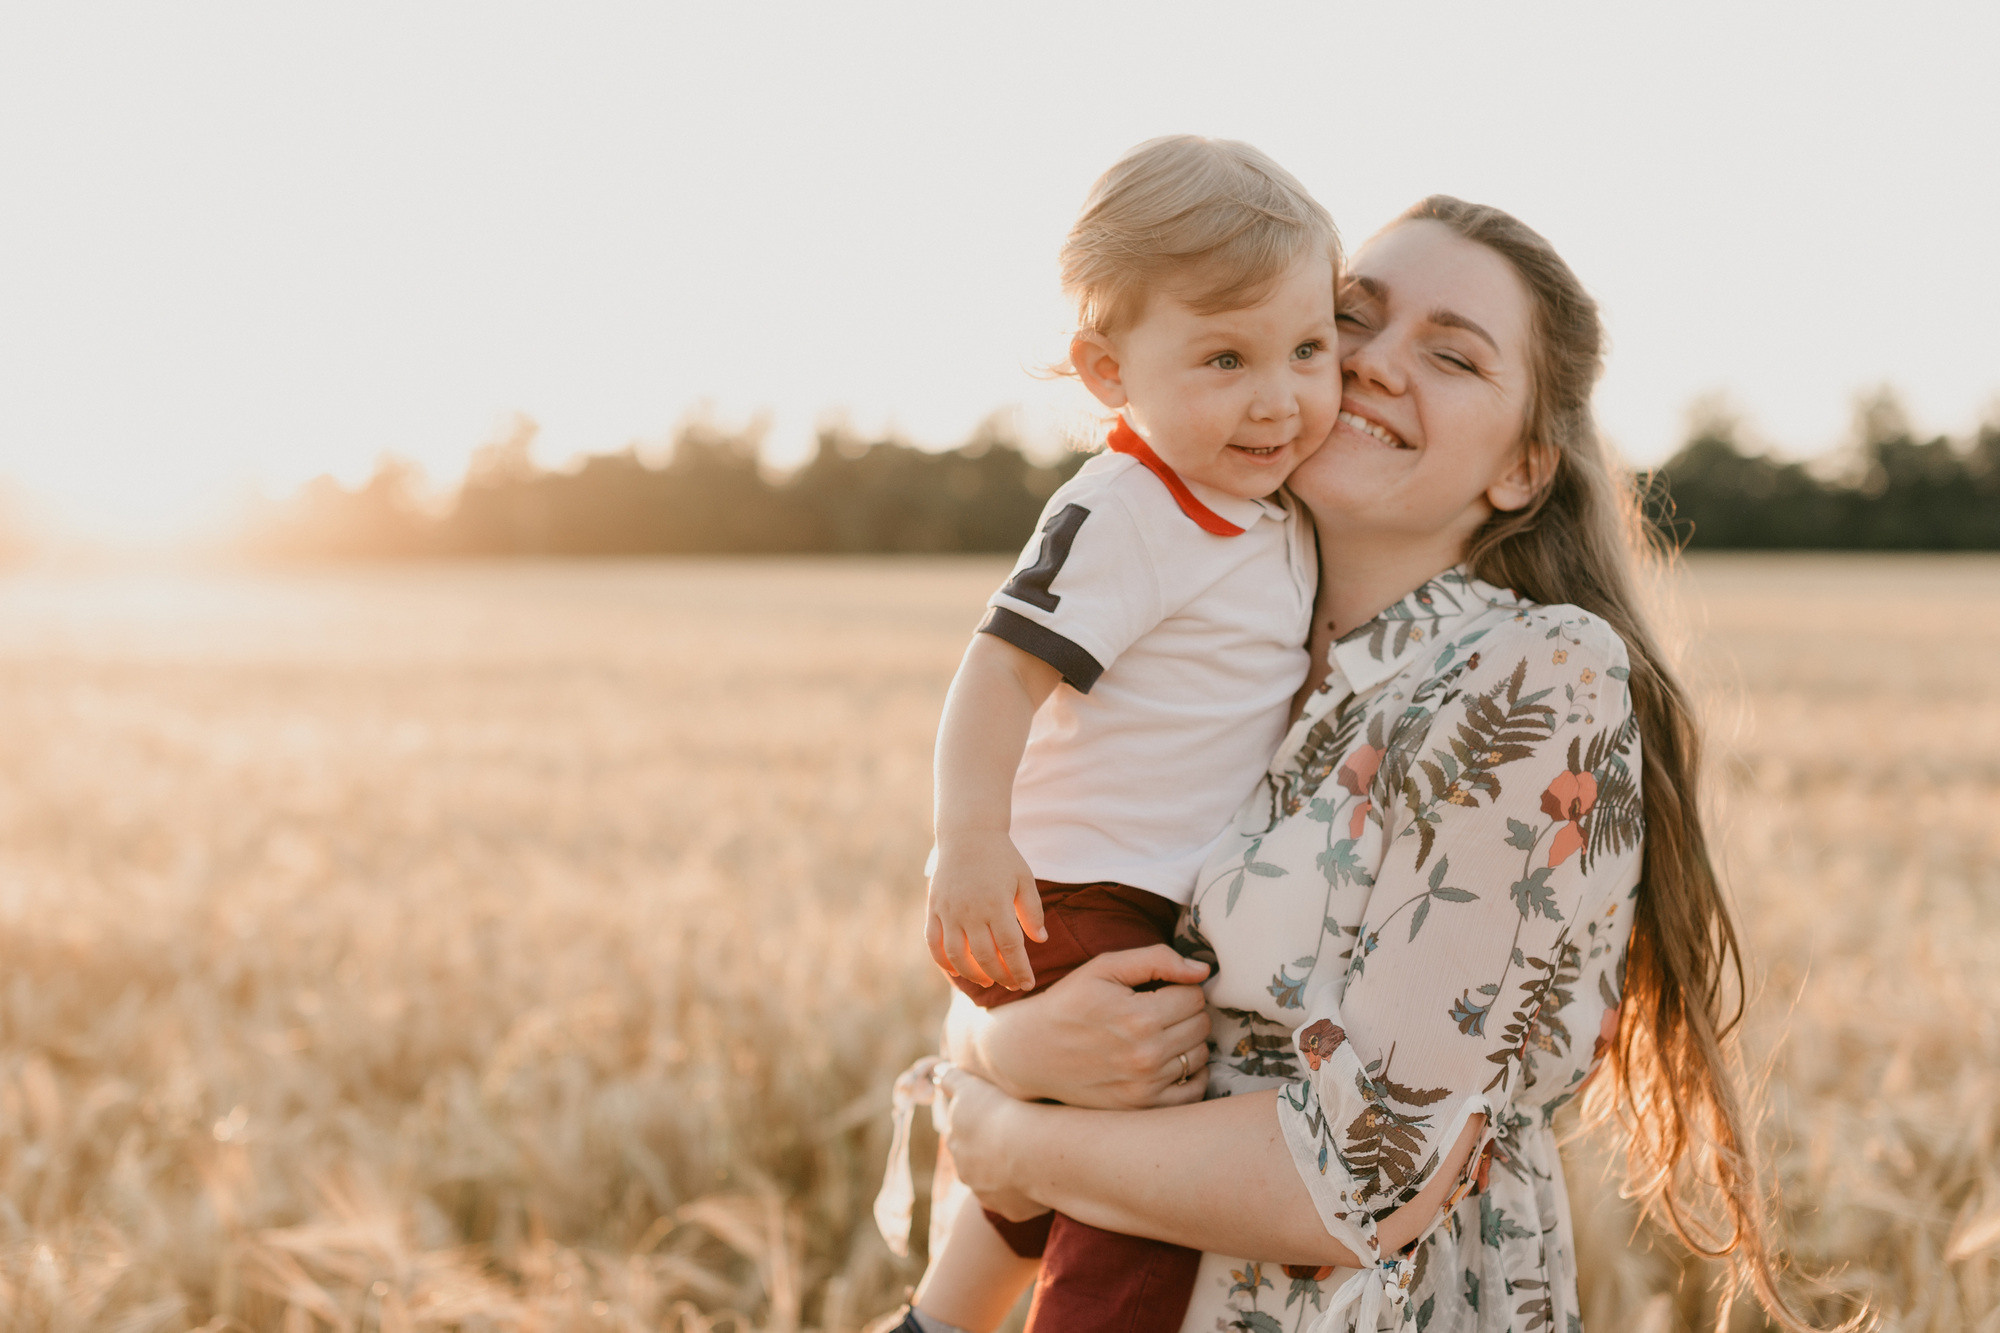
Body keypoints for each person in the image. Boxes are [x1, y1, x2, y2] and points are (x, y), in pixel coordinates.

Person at [930, 198, 1832, 1332]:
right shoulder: (1216, 642)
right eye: (1351, 317)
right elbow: (1065, 931)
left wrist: (1010, 1137)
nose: (1372, 363)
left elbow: (1367, 1171)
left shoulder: (1534, 674)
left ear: (1522, 469)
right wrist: (997, 1040)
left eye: (1452, 356)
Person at [901, 135, 1341, 1333]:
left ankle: (935, 1322)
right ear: (1107, 370)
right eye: (1224, 357)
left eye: (1308, 349)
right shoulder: (1127, 505)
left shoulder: (1265, 501)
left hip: (1139, 894)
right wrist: (968, 837)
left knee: (1071, 1141)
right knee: (1140, 1184)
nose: (1278, 397)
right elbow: (999, 671)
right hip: (1072, 893)